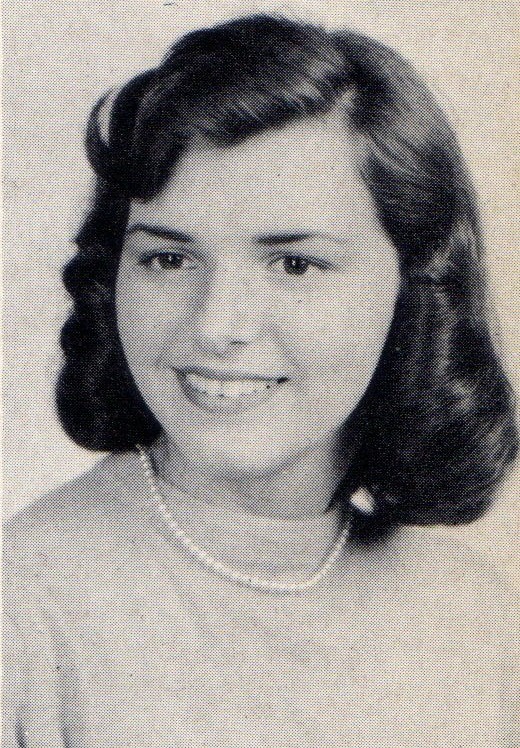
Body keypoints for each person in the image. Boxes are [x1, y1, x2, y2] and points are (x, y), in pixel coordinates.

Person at [3, 13, 519, 747]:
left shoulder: (476, 615)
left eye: (295, 264)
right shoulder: (24, 606)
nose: (217, 323)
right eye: (168, 259)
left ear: (415, 287)